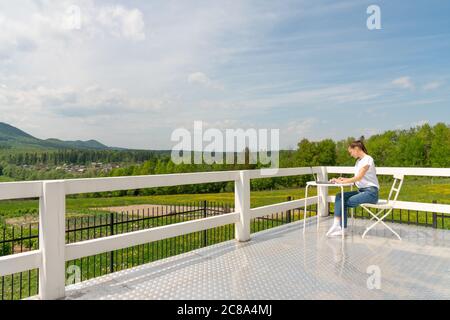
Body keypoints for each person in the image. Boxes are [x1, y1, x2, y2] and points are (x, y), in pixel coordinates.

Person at [326, 140, 379, 237]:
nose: (350, 154)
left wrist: (342, 182)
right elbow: (356, 180)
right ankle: (337, 224)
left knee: (344, 202)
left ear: (357, 148)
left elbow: (359, 177)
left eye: (351, 152)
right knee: (339, 196)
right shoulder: (358, 162)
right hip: (361, 191)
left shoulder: (368, 159)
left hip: (371, 193)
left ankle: (341, 228)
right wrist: (343, 179)